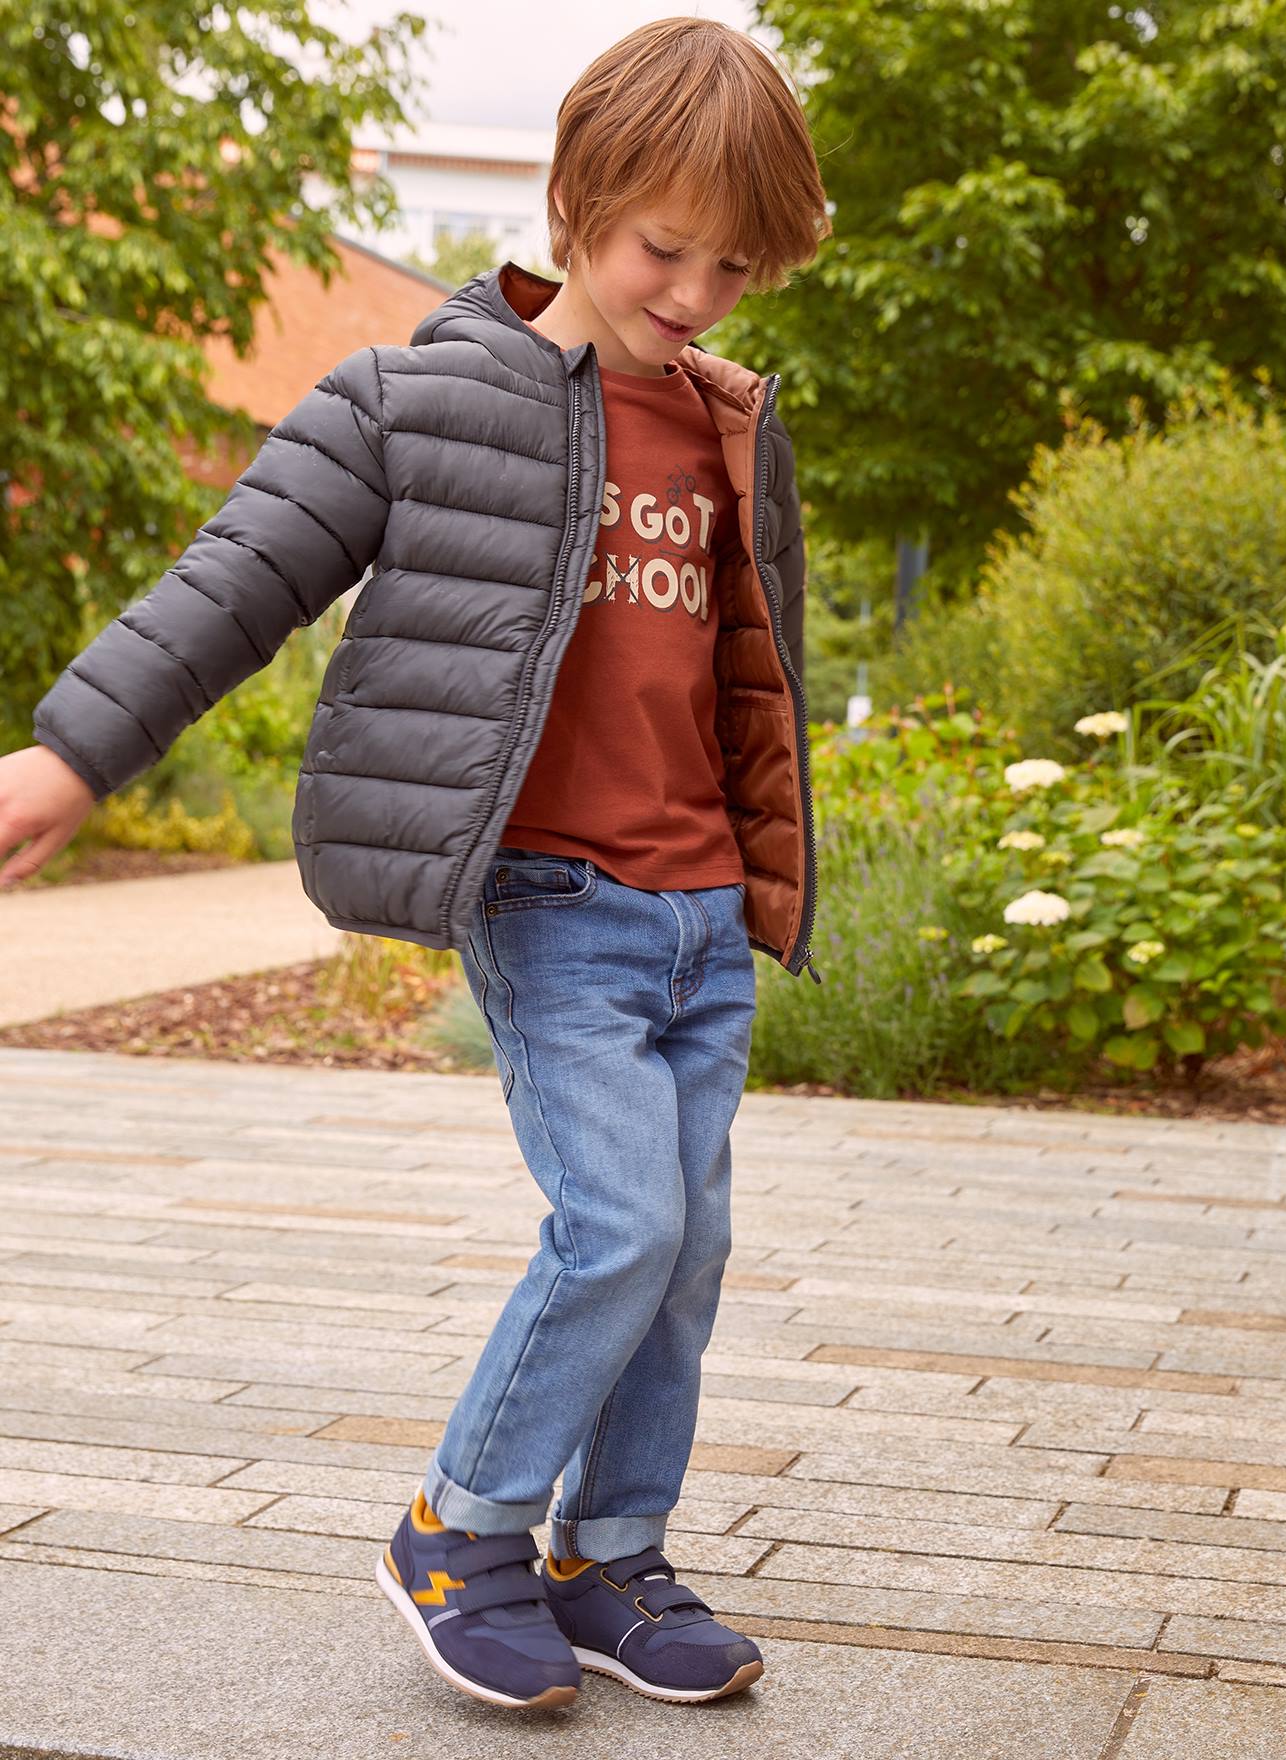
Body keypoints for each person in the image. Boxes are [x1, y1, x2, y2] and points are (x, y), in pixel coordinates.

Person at [0, 13, 830, 1715]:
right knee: (617, 1225)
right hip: (555, 906)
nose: (694, 293)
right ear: (578, 193)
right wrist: (73, 756)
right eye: (666, 246)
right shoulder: (413, 395)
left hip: (698, 922)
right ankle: (461, 1530)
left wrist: (759, 877)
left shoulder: (740, 432)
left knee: (688, 1253)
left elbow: (759, 681)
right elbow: (231, 581)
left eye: (736, 267)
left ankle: (611, 1553)